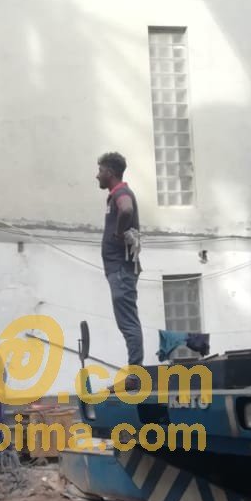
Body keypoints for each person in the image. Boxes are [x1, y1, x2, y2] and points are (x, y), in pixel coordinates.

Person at [96, 151, 143, 389]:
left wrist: (118, 233)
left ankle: (135, 376)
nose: (97, 176)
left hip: (121, 270)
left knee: (128, 322)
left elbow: (126, 210)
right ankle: (134, 374)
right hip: (119, 270)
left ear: (110, 172)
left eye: (100, 171)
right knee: (126, 322)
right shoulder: (116, 194)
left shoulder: (121, 193)